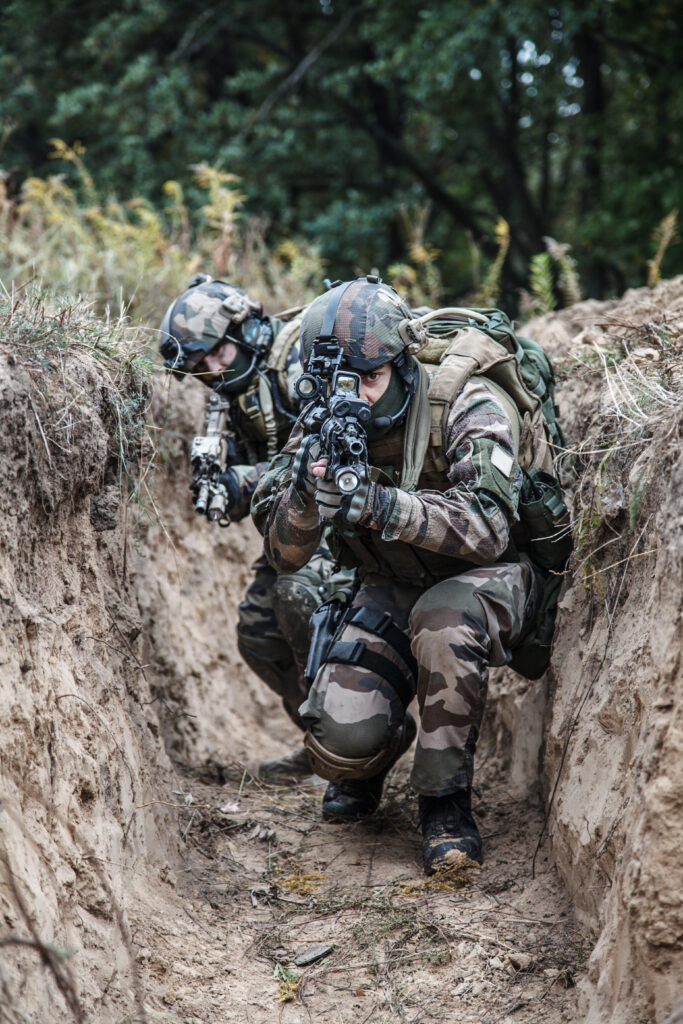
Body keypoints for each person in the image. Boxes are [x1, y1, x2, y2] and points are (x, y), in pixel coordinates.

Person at [252, 275, 569, 872]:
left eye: (369, 379)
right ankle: (379, 754)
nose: (357, 398)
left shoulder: (467, 401)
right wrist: (305, 496)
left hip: (495, 577)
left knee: (443, 617)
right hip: (395, 581)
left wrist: (378, 505)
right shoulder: (320, 421)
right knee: (337, 747)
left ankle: (445, 803)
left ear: (401, 365)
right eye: (340, 383)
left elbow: (488, 528)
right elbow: (285, 557)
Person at [159, 274, 350, 779]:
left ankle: (362, 744)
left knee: (297, 596)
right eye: (201, 367)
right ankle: (325, 741)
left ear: (245, 328)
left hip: (354, 526)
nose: (214, 371)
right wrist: (228, 487)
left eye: (218, 354)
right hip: (298, 534)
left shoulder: (300, 362)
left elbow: (333, 457)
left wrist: (245, 482)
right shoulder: (235, 392)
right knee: (258, 633)